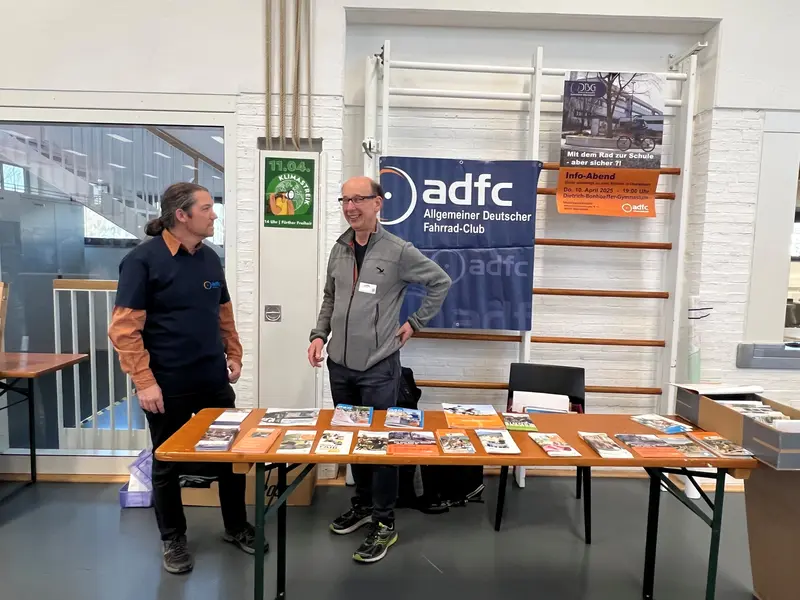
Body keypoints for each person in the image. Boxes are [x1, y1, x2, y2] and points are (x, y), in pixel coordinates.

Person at [108, 182, 263, 575]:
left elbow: (223, 312)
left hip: (212, 378)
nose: (214, 215)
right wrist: (144, 382)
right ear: (181, 215)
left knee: (230, 456)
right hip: (167, 384)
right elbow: (124, 330)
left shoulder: (210, 258)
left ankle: (236, 526)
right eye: (207, 208)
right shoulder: (142, 261)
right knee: (167, 463)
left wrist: (234, 354)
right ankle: (173, 538)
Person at [307, 175, 452, 563]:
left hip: (378, 368)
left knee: (381, 445)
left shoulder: (398, 251)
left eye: (358, 199)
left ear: (378, 202)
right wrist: (319, 334)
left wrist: (415, 322)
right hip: (340, 367)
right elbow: (330, 297)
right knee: (354, 441)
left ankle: (384, 522)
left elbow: (440, 282)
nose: (350, 207)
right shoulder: (339, 248)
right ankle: (363, 504)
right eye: (345, 200)